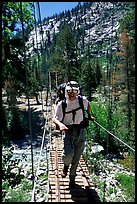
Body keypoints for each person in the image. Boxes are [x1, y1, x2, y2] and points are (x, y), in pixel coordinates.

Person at [52, 81, 94, 189]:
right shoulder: (62, 104)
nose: (72, 93)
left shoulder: (82, 100)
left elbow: (88, 105)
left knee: (76, 158)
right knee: (68, 156)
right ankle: (65, 166)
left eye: (74, 91)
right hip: (68, 132)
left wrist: (89, 115)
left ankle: (72, 179)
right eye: (69, 91)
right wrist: (60, 125)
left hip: (80, 131)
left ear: (77, 91)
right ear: (66, 92)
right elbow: (54, 119)